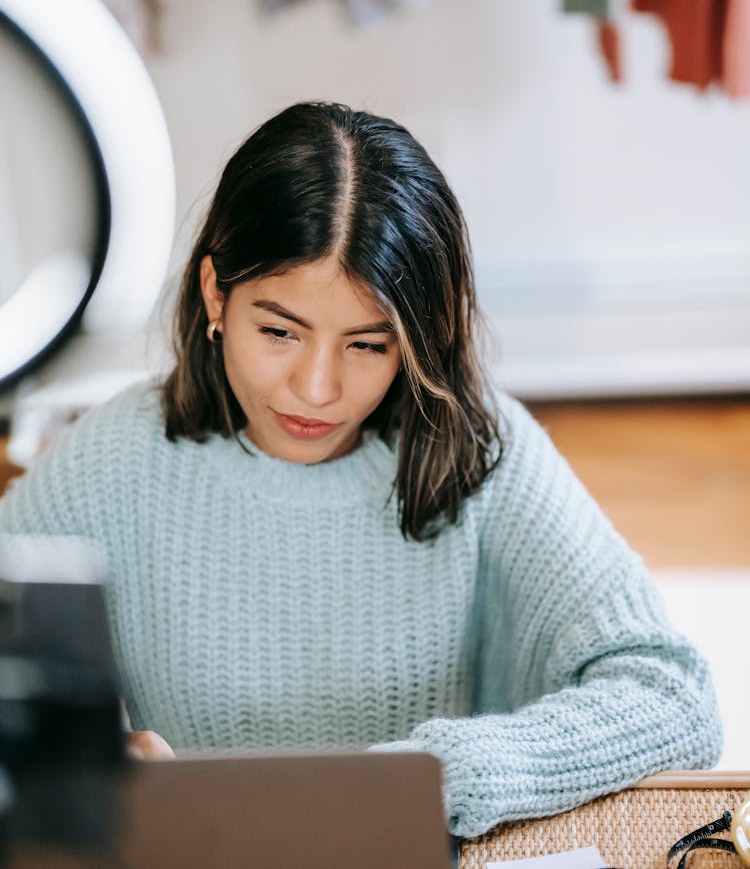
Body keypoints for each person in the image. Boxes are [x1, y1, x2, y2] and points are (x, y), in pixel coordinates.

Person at [0, 102, 721, 839]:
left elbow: (674, 697)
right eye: (279, 331)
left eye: (368, 345)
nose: (317, 389)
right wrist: (76, 755)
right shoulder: (116, 455)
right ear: (217, 293)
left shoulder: (479, 445)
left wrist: (437, 777)